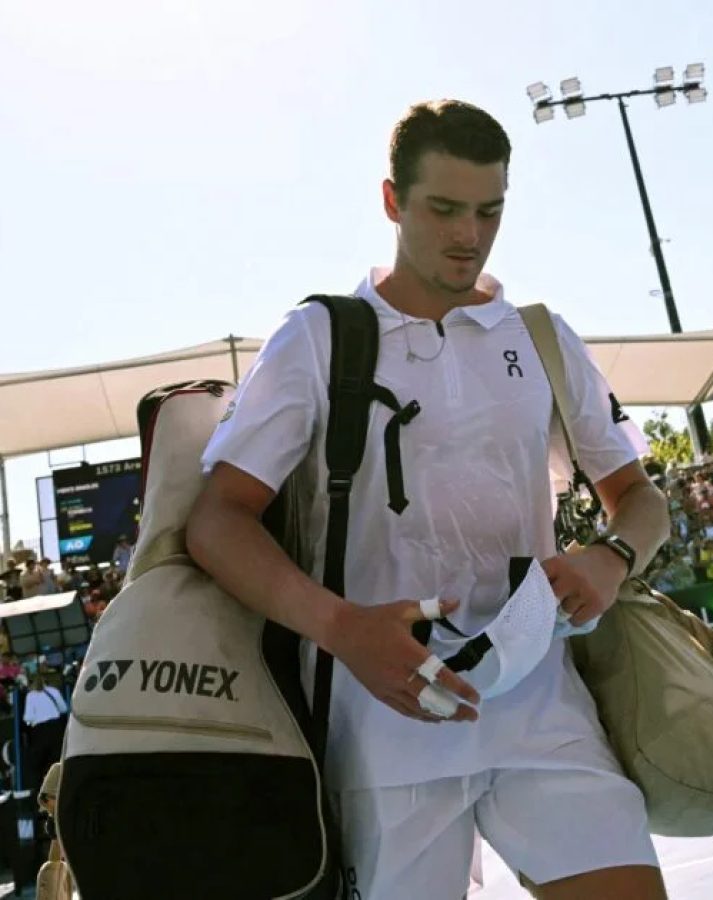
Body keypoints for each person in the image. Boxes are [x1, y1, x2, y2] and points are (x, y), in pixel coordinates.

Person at [187, 100, 670, 900]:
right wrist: (342, 629)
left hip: (541, 706)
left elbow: (642, 499)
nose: (469, 235)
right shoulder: (317, 337)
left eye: (489, 211)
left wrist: (612, 558)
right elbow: (216, 522)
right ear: (392, 201)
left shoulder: (540, 336)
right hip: (383, 724)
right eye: (444, 209)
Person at [23, 673, 68, 792]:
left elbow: (28, 717)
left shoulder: (31, 695)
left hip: (40, 731)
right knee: (56, 761)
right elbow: (64, 708)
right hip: (56, 728)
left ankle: (42, 792)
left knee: (39, 764)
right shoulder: (53, 691)